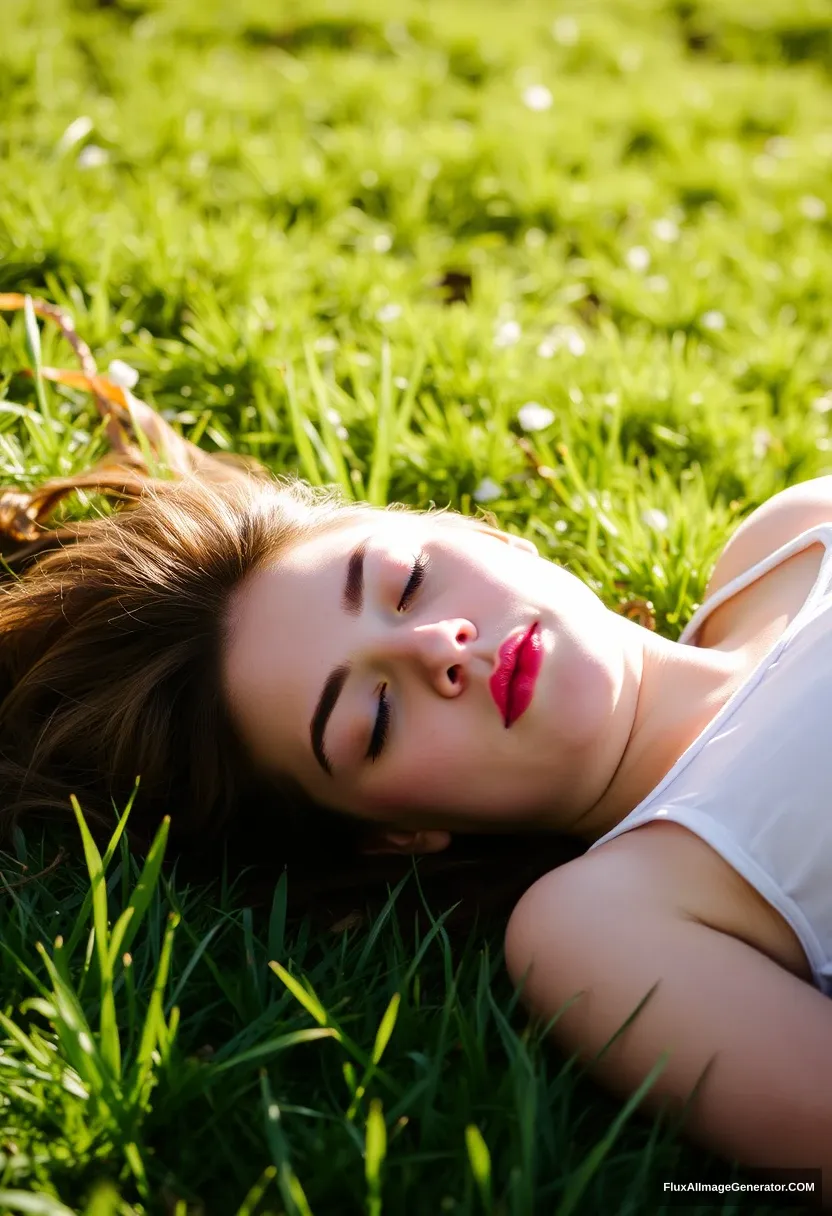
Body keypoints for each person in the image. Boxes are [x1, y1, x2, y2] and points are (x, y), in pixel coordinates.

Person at [2, 388, 831, 1198]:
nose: (441, 647)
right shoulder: (599, 926)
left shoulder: (794, 538)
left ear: (480, 531)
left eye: (407, 582)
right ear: (395, 834)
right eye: (379, 715)